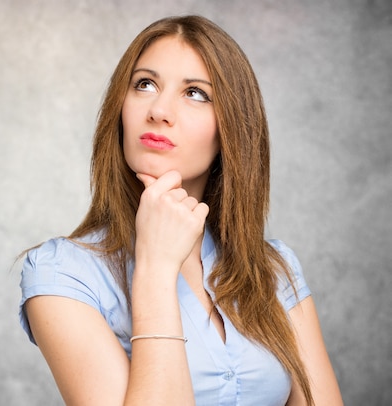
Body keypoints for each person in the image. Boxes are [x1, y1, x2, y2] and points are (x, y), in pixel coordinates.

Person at [18, 15, 343, 405]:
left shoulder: (275, 271)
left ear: (231, 131)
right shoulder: (62, 275)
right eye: (145, 84)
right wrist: (154, 271)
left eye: (195, 93)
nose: (159, 110)